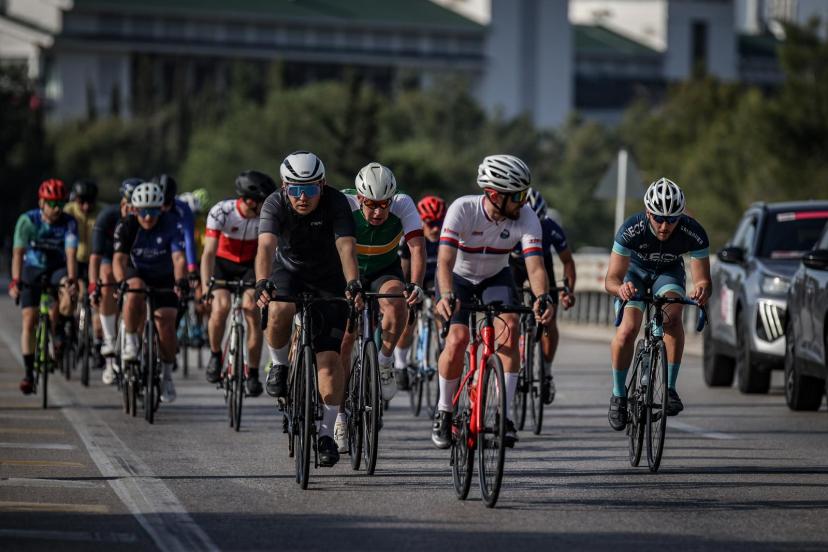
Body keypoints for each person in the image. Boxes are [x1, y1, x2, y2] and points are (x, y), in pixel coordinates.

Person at [431, 155, 554, 450]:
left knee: (510, 329)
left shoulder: (526, 216)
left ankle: (504, 415)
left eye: (525, 194)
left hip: (496, 277)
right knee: (457, 339)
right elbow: (444, 261)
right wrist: (445, 294)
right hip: (458, 278)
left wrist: (542, 297)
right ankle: (444, 410)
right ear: (495, 195)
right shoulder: (463, 209)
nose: (523, 201)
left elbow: (535, 266)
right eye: (517, 196)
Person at [255, 151, 361, 468]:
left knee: (328, 362)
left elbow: (346, 246)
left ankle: (326, 433)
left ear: (322, 185)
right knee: (279, 309)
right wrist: (261, 281)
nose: (303, 197)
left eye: (311, 189)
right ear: (284, 187)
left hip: (328, 277)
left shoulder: (337, 202)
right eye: (296, 190)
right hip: (288, 271)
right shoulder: (274, 203)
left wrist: (353, 283)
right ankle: (279, 365)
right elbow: (265, 245)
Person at [605, 177, 712, 430]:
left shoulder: (693, 232)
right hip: (634, 274)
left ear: (680, 216)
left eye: (672, 219)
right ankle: (618, 395)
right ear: (647, 213)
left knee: (672, 317)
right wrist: (621, 289)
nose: (665, 226)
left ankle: (670, 389)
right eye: (658, 218)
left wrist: (701, 290)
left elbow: (704, 281)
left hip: (668, 273)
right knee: (628, 329)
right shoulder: (631, 228)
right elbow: (611, 279)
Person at [336, 162, 425, 451]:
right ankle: (339, 415)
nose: (378, 212)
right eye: (371, 205)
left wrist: (416, 284)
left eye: (384, 204)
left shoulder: (404, 204)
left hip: (384, 269)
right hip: (347, 271)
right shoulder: (343, 203)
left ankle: (385, 363)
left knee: (398, 304)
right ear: (360, 198)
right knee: (344, 339)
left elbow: (417, 248)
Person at [202, 171, 276, 396]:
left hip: (249, 266)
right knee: (221, 306)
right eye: (263, 201)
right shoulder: (221, 211)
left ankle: (252, 373)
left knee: (252, 310)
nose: (266, 206)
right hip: (223, 264)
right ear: (250, 201)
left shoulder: (264, 217)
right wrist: (206, 286)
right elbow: (209, 253)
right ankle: (215, 355)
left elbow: (268, 252)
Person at [113, 182, 187, 403]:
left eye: (153, 212)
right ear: (135, 209)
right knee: (134, 289)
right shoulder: (126, 225)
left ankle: (166, 376)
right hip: (137, 271)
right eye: (143, 212)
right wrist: (120, 282)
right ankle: (131, 341)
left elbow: (178, 258)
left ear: (161, 209)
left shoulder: (171, 223)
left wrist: (181, 280)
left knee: (166, 322)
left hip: (164, 275)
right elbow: (119, 260)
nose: (147, 217)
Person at [8, 179, 79, 394]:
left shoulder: (69, 222)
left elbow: (71, 254)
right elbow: (18, 253)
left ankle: (60, 329)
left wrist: (72, 280)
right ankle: (29, 374)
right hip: (33, 267)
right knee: (29, 320)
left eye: (60, 203)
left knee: (68, 294)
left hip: (57, 267)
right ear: (41, 203)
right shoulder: (27, 221)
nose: (57, 208)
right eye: (52, 203)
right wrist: (15, 280)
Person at [509, 187, 577, 404]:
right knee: (509, 315)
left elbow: (567, 261)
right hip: (514, 264)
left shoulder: (551, 228)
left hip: (541, 262)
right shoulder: (508, 223)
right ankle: (513, 362)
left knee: (549, 319)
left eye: (538, 223)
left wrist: (568, 290)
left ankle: (546, 373)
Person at [89, 178, 139, 384]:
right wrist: (94, 286)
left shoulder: (145, 218)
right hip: (110, 257)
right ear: (122, 203)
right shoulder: (107, 216)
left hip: (133, 259)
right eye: (130, 205)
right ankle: (109, 341)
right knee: (107, 276)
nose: (133, 210)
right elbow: (95, 257)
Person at [394, 195, 446, 387]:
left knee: (442, 312)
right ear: (421, 221)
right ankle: (401, 363)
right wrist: (407, 292)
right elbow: (404, 271)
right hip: (416, 279)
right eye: (431, 223)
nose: (436, 229)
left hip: (436, 281)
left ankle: (443, 346)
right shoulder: (410, 238)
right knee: (409, 318)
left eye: (439, 223)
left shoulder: (448, 236)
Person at [65, 179, 105, 364]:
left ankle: (97, 342)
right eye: (82, 201)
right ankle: (70, 327)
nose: (86, 206)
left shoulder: (102, 211)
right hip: (76, 260)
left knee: (97, 301)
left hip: (96, 261)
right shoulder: (68, 211)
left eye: (91, 202)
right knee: (78, 294)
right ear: (75, 199)